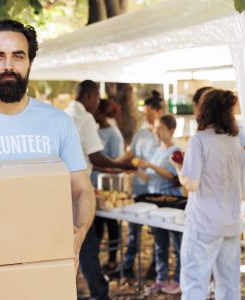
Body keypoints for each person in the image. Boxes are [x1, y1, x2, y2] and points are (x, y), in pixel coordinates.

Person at [0, 20, 95, 292]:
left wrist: (79, 234)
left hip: (44, 269)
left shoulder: (59, 123)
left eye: (18, 56)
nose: (8, 66)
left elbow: (82, 190)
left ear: (30, 63)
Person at [170, 88, 245, 299]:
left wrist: (178, 169)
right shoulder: (234, 142)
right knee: (229, 285)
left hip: (203, 224)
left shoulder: (199, 140)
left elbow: (191, 184)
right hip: (230, 223)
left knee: (195, 283)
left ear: (204, 110)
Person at [65, 80, 135, 300]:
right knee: (87, 244)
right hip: (79, 189)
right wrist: (126, 166)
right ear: (90, 96)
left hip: (62, 188)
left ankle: (71, 291)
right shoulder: (84, 117)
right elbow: (95, 156)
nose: (97, 104)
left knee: (70, 243)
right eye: (96, 98)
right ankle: (99, 292)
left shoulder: (64, 114)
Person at [111, 90, 163, 279]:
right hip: (138, 188)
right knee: (132, 230)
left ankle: (156, 269)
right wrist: (113, 164)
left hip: (155, 189)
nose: (146, 116)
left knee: (157, 232)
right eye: (145, 113)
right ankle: (127, 267)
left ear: (159, 111)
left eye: (149, 113)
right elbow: (130, 154)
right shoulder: (141, 132)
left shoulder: (162, 132)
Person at [138, 114, 182, 294]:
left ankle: (179, 279)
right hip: (153, 201)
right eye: (155, 128)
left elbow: (174, 178)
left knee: (178, 244)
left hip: (172, 201)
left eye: (161, 128)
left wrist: (151, 166)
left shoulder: (177, 151)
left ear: (171, 131)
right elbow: (148, 177)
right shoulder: (155, 150)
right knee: (159, 243)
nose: (157, 132)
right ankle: (161, 278)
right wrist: (138, 169)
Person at [91, 99, 125, 271]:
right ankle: (95, 260)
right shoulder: (94, 130)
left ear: (103, 114)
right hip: (93, 185)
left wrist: (97, 165)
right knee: (96, 224)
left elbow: (117, 163)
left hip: (109, 187)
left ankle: (113, 259)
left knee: (111, 224)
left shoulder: (114, 134)